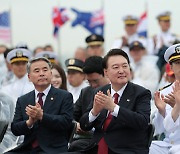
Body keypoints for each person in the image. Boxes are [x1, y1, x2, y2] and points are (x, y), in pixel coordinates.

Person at [80, 48, 151, 154]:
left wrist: (114, 108)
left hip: (125, 149)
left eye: (125, 66)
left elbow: (143, 122)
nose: (121, 71)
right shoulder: (100, 91)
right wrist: (94, 112)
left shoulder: (141, 93)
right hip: (95, 148)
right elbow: (84, 125)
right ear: (106, 72)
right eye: (116, 67)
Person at [6, 57, 73, 154]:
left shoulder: (64, 96)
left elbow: (66, 122)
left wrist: (42, 116)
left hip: (53, 149)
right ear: (29, 77)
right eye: (36, 71)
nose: (41, 73)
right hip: (28, 148)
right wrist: (29, 122)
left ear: (50, 74)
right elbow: (15, 128)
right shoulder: (23, 100)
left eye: (45, 70)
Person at [69, 56, 110, 152]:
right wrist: (77, 125)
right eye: (89, 82)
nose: (93, 85)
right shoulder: (86, 92)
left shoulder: (116, 92)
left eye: (95, 81)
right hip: (88, 139)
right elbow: (71, 114)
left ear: (106, 73)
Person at [149, 43, 180, 154]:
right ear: (171, 67)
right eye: (178, 63)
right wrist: (162, 111)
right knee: (143, 148)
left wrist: (177, 107)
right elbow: (159, 129)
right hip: (168, 144)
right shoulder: (164, 92)